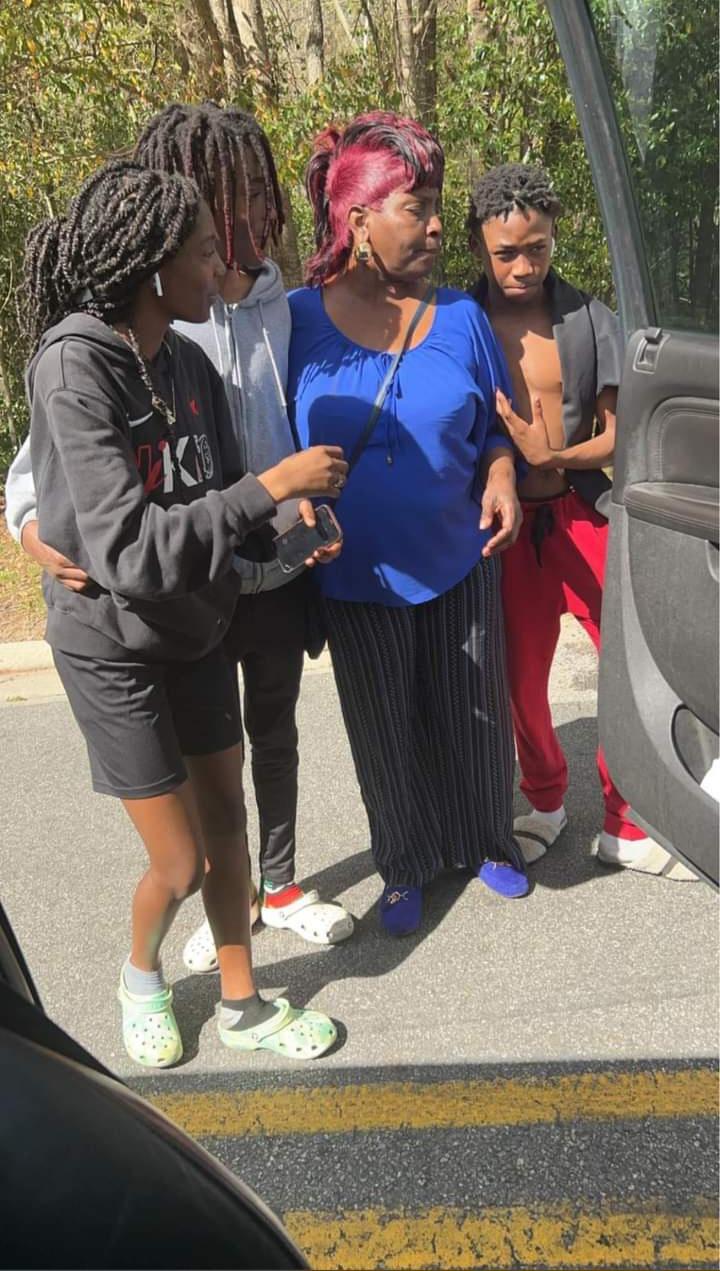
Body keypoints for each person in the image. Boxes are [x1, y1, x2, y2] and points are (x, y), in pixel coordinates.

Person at [5, 101, 355, 961]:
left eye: (257, 195)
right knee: (195, 815)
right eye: (230, 203)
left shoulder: (274, 310)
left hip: (246, 564)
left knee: (268, 738)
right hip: (156, 591)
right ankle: (200, 916)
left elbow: (250, 453)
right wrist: (31, 525)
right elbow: (50, 473)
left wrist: (293, 523)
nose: (252, 219)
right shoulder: (96, 348)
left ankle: (271, 894)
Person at [287, 111, 528, 939]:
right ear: (358, 221)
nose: (435, 227)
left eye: (436, 209)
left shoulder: (460, 317)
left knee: (475, 714)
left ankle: (486, 837)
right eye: (415, 209)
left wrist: (502, 474)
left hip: (461, 557)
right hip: (355, 575)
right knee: (384, 729)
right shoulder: (295, 323)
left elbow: (495, 429)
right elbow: (263, 441)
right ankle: (405, 862)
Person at [468, 162, 695, 880]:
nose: (524, 266)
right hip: (508, 532)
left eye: (537, 247)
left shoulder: (589, 317)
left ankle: (625, 821)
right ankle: (544, 801)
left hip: (584, 515)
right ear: (478, 248)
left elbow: (621, 434)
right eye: (507, 252)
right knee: (521, 678)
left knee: (624, 669)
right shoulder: (459, 322)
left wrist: (555, 455)